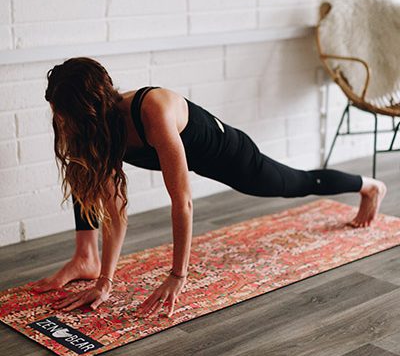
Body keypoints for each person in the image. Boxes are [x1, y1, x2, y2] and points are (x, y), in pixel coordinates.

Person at [33, 57, 387, 319]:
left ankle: (368, 186)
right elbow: (114, 212)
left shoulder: (150, 109)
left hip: (229, 153)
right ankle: (86, 258)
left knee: (293, 183)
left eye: (62, 115)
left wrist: (177, 275)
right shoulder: (97, 132)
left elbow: (182, 203)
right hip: (183, 152)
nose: (59, 122)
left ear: (88, 110)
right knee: (83, 166)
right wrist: (105, 281)